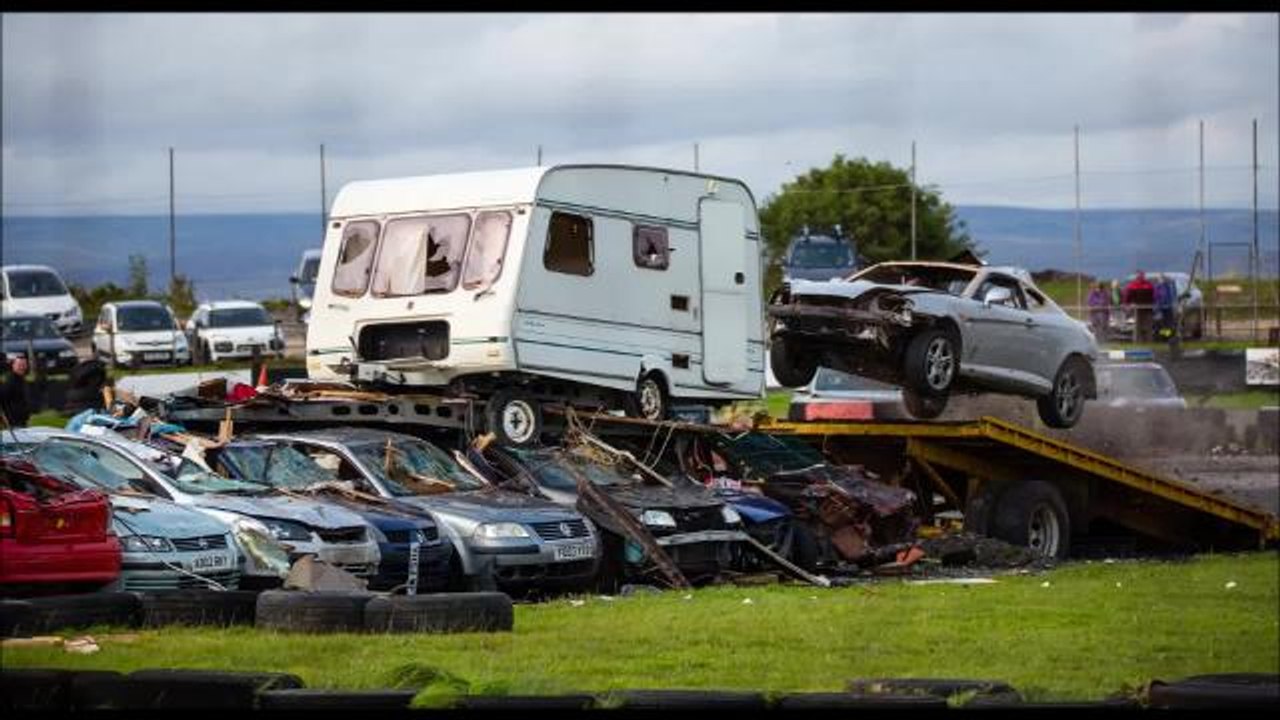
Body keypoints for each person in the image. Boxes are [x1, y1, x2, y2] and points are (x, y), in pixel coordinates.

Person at [1123, 271, 1156, 342]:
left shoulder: (1148, 285)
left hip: (1148, 308)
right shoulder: (1133, 285)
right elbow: (1128, 296)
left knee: (1148, 325)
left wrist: (1153, 304)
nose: (1141, 277)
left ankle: (1149, 340)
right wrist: (1127, 304)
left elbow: (1153, 296)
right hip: (1137, 308)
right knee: (1138, 325)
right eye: (1139, 275)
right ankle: (1138, 340)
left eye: (1142, 275)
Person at [0, 354, 31, 428]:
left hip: (22, 421)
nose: (22, 367)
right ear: (13, 365)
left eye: (24, 365)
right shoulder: (10, 382)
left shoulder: (22, 380)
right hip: (13, 423)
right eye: (19, 365)